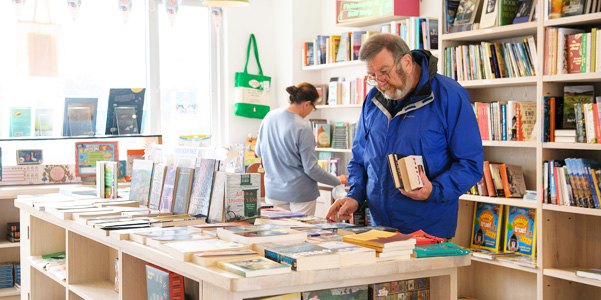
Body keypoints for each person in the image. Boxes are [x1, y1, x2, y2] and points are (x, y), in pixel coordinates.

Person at [326, 34, 483, 239]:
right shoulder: (373, 99)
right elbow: (360, 159)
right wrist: (355, 195)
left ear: (406, 62)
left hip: (427, 231)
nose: (379, 83)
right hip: (379, 228)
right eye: (372, 75)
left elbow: (470, 164)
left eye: (384, 72)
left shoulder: (449, 95)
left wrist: (434, 190)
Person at [255, 83, 347, 216]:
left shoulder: (269, 117)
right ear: (307, 104)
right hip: (300, 193)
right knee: (301, 233)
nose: (311, 111)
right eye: (313, 107)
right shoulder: (303, 127)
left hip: (273, 191)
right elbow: (311, 169)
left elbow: (259, 152)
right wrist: (337, 180)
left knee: (278, 233)